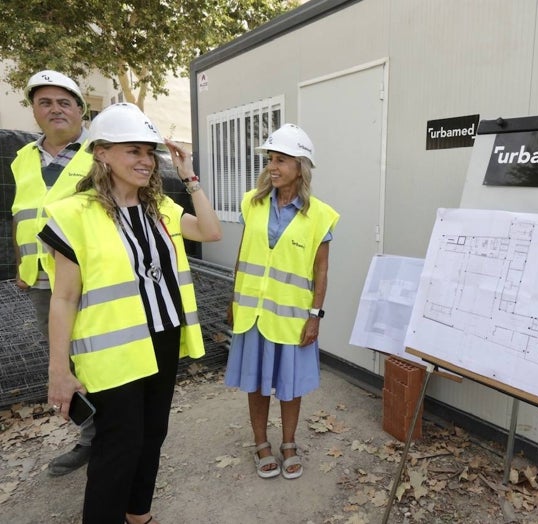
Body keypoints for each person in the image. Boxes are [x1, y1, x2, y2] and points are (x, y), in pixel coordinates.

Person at [42, 102, 222, 524]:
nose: (145, 161)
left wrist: (189, 176)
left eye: (149, 152)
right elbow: (63, 298)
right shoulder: (74, 215)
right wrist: (58, 371)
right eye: (133, 151)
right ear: (101, 152)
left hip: (161, 338)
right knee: (119, 445)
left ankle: (138, 514)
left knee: (153, 435)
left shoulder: (160, 207)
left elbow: (211, 231)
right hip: (112, 350)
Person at [226, 123, 339, 480]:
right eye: (270, 159)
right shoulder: (252, 203)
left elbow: (321, 271)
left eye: (281, 160)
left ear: (300, 166)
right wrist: (233, 299)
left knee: (290, 387)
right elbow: (243, 253)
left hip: (292, 318)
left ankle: (288, 443)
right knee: (256, 383)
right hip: (252, 313)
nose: (272, 166)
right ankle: (261, 442)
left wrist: (315, 316)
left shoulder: (320, 215)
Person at [11, 70, 95, 476]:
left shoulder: (99, 153)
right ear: (35, 112)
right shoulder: (23, 159)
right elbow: (21, 214)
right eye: (46, 102)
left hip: (90, 279)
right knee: (65, 363)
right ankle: (92, 436)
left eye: (64, 102)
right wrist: (20, 261)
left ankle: (112, 437)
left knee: (99, 356)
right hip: (42, 282)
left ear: (81, 110)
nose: (55, 109)